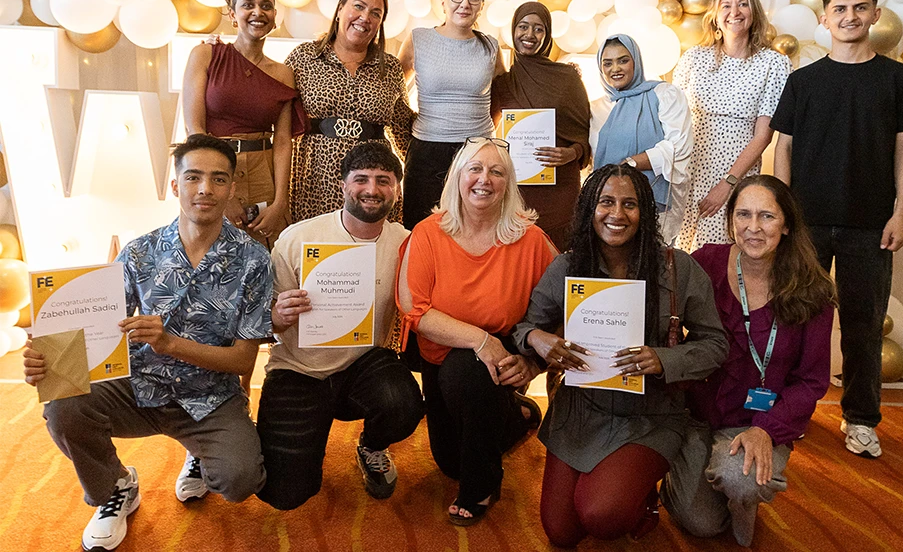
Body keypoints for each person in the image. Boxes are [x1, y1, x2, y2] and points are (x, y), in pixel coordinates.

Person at [22, 134, 271, 552]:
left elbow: (243, 360)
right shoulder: (139, 253)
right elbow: (95, 330)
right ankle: (115, 488)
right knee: (63, 406)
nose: (205, 189)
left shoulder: (254, 260)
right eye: (193, 177)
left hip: (208, 398)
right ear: (176, 186)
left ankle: (199, 452)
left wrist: (171, 344)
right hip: (136, 387)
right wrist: (47, 362)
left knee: (240, 480)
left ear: (232, 187)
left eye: (218, 179)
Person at [514, 163, 728, 546]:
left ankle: (642, 496)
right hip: (580, 411)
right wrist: (538, 340)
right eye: (606, 202)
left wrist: (664, 359)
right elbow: (525, 327)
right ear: (588, 209)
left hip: (650, 415)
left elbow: (715, 344)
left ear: (645, 211)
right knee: (561, 533)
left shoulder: (678, 268)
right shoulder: (567, 266)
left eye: (629, 204)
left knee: (603, 515)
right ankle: (622, 486)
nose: (616, 214)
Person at [771, 0, 903, 458]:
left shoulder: (897, 78)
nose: (850, 17)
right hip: (807, 225)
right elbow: (784, 149)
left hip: (870, 224)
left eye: (860, 8)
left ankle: (860, 418)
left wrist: (900, 213)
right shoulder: (803, 80)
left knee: (864, 323)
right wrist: (784, 215)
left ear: (875, 15)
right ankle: (788, 411)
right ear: (824, 18)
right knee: (794, 317)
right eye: (839, 9)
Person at [662, 175, 835, 546]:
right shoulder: (705, 263)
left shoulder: (813, 289)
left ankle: (738, 489)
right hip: (694, 412)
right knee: (702, 522)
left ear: (787, 225)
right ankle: (690, 475)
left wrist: (767, 430)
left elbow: (811, 381)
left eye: (767, 217)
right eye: (743, 215)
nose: (753, 228)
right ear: (730, 221)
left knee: (738, 479)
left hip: (758, 419)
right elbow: (661, 314)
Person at [255, 142, 424, 509]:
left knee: (405, 404)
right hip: (298, 369)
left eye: (384, 180)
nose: (372, 189)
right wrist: (278, 316)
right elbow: (261, 323)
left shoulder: (407, 243)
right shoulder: (298, 238)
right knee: (284, 494)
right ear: (343, 185)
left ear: (397, 188)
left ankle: (371, 445)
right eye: (361, 179)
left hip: (363, 365)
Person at [397, 137, 555, 525]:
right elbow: (414, 308)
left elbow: (563, 307)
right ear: (457, 177)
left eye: (496, 171)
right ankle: (514, 416)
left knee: (470, 374)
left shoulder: (531, 240)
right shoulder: (428, 232)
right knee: (450, 462)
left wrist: (532, 363)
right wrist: (479, 340)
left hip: (499, 359)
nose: (484, 179)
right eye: (475, 169)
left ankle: (482, 486)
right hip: (441, 355)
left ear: (508, 182)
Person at [182, 0, 307, 248]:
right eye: (248, 5)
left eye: (266, 6)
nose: (258, 12)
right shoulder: (205, 54)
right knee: (210, 252)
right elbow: (194, 129)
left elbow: (284, 141)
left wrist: (280, 201)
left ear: (274, 17)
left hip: (264, 171)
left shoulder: (283, 73)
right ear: (233, 14)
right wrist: (222, 189)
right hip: (215, 170)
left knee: (267, 254)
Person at [285, 0, 413, 223]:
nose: (366, 17)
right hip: (314, 180)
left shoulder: (390, 68)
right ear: (340, 9)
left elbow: (404, 132)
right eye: (359, 6)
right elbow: (276, 120)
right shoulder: (303, 58)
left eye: (376, 13)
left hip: (372, 185)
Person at [674, 0, 791, 252]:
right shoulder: (693, 58)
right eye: (726, 5)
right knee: (679, 255)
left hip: (736, 171)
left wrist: (727, 183)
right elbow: (673, 120)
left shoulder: (773, 64)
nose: (734, 12)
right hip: (688, 167)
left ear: (754, 12)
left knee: (721, 254)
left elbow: (763, 136)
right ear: (715, 15)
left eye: (743, 4)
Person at [399, 0, 506, 229]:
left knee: (475, 230)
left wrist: (479, 133)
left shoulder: (491, 46)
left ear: (481, 5)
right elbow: (394, 90)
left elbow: (501, 99)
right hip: (427, 151)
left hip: (476, 152)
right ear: (443, 0)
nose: (464, 3)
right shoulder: (418, 39)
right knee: (421, 229)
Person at [490, 1, 591, 250]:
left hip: (560, 185)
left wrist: (571, 153)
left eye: (538, 29)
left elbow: (584, 134)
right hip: (518, 186)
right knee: (518, 255)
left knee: (558, 254)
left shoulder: (567, 77)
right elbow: (490, 132)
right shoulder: (503, 83)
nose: (529, 35)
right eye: (523, 27)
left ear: (547, 36)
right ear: (513, 30)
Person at [590, 34, 693, 245]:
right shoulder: (595, 108)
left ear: (636, 61)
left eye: (623, 60)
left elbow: (678, 147)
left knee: (653, 266)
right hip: (609, 211)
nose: (615, 68)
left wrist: (630, 164)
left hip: (654, 206)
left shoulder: (664, 94)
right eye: (607, 63)